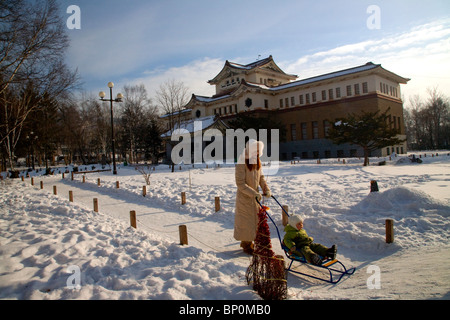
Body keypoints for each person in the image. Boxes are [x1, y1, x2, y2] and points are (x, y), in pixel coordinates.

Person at [234, 139, 271, 255]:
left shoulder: (256, 161)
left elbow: (261, 178)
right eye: (256, 151)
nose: (257, 153)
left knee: (255, 222)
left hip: (255, 197)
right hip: (245, 198)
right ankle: (246, 244)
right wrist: (253, 193)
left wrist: (266, 189)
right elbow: (240, 183)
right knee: (246, 222)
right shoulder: (242, 161)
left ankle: (255, 242)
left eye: (259, 151)